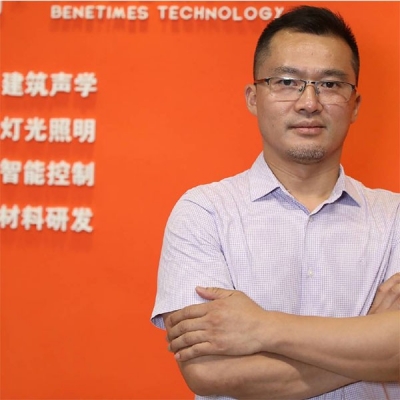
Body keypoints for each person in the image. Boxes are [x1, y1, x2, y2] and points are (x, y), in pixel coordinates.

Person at [151, 5, 400, 400]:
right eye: (286, 82)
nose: (309, 103)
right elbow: (209, 372)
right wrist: (372, 343)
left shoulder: (395, 218)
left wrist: (262, 326)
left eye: (330, 84)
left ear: (354, 104)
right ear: (254, 98)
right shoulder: (204, 212)